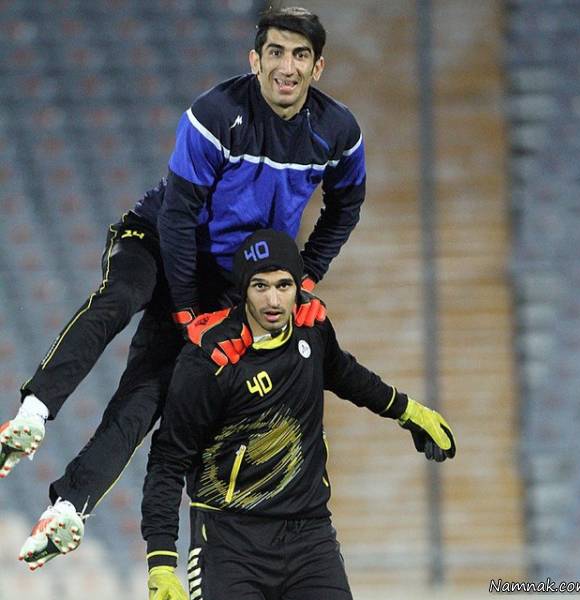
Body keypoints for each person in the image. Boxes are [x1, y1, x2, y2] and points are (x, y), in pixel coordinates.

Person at [2, 6, 367, 570]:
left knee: (152, 393)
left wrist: (305, 275)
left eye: (300, 56)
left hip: (225, 278)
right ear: (255, 60)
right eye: (275, 52)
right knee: (118, 299)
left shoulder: (338, 132)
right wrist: (188, 310)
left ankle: (70, 506)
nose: (286, 67)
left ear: (317, 67)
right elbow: (177, 216)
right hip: (156, 237)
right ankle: (33, 410)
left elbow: (347, 205)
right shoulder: (215, 114)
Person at [141, 230, 456, 600]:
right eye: (260, 286)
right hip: (229, 542)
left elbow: (344, 374)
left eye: (283, 285)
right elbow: (168, 460)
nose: (273, 300)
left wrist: (407, 411)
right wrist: (161, 562)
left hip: (310, 538)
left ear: (297, 286)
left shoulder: (313, 330)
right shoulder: (209, 360)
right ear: (243, 289)